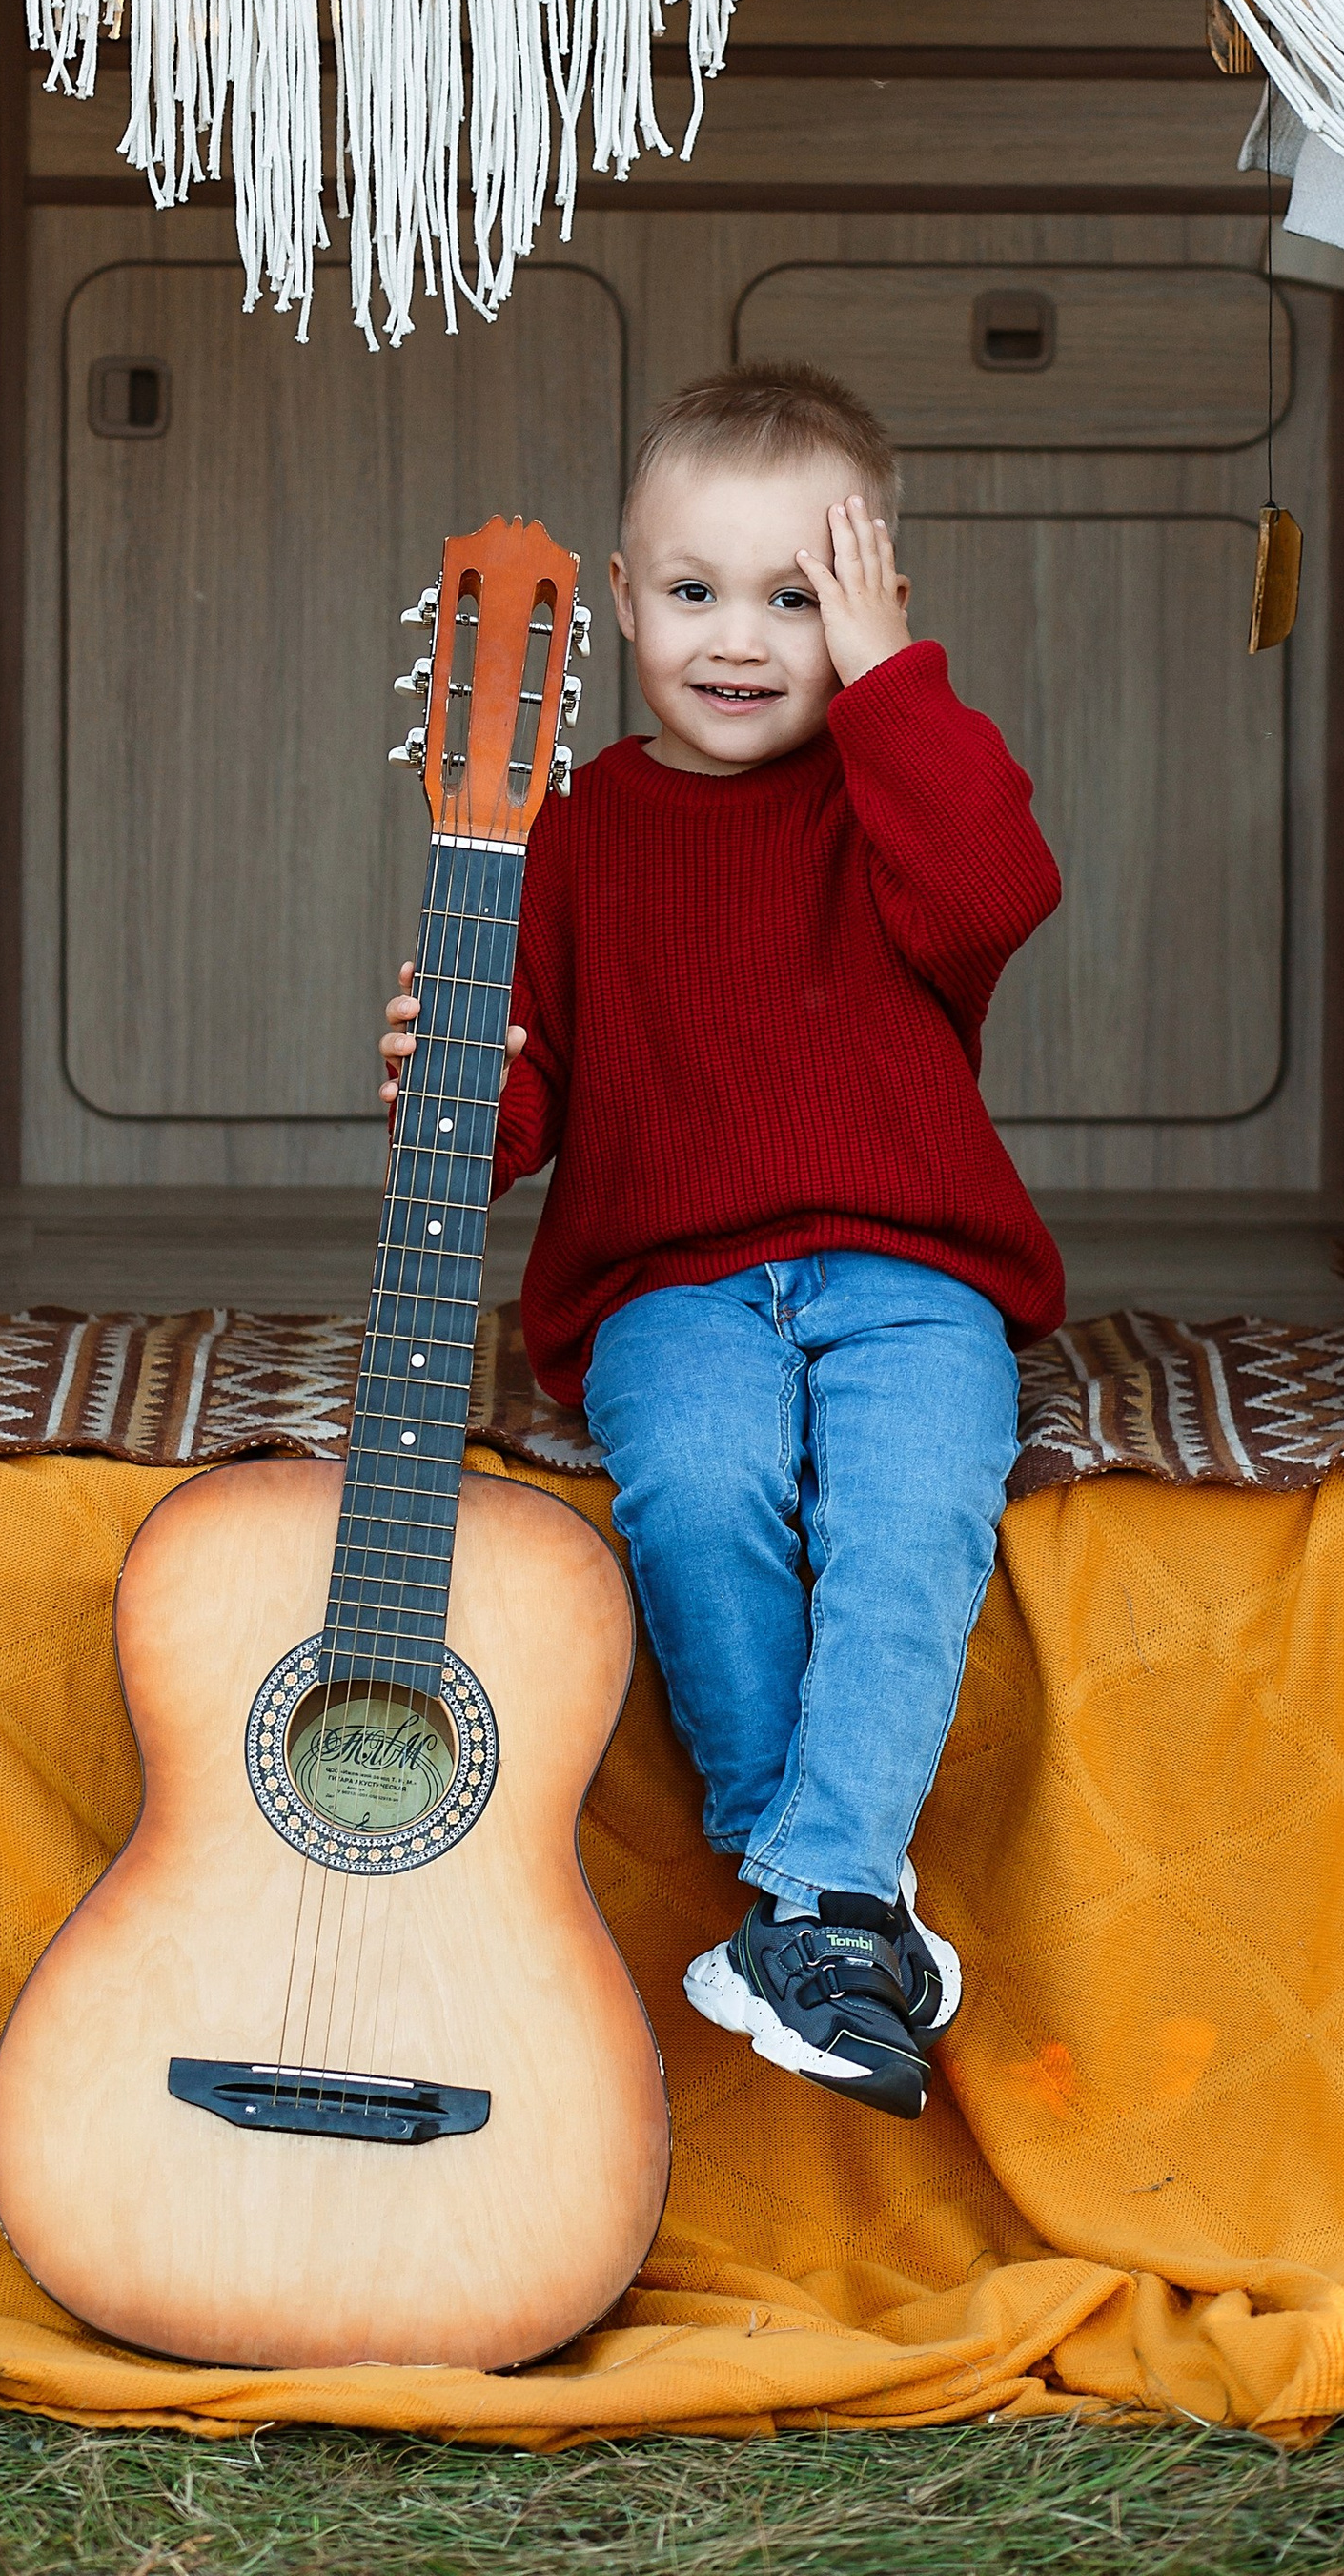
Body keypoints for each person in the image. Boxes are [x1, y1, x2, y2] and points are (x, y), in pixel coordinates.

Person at [379, 362, 1063, 2119]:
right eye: (694, 591)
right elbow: (513, 1124)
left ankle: (809, 1894)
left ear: (874, 610)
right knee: (698, 1489)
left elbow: (1001, 890)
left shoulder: (891, 806)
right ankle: (828, 1902)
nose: (741, 639)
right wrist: (450, 1070)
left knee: (910, 1505)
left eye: (799, 597)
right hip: (667, 1279)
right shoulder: (571, 831)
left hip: (913, 1277)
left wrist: (894, 683)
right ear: (619, 601)